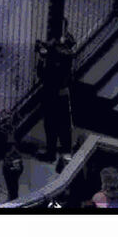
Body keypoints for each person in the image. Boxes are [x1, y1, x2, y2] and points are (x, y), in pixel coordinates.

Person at [36, 19, 77, 164]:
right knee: (56, 123)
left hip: (56, 89)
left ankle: (57, 152)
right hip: (57, 90)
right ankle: (59, 151)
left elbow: (45, 73)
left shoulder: (64, 49)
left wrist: (45, 54)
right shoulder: (65, 44)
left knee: (57, 123)